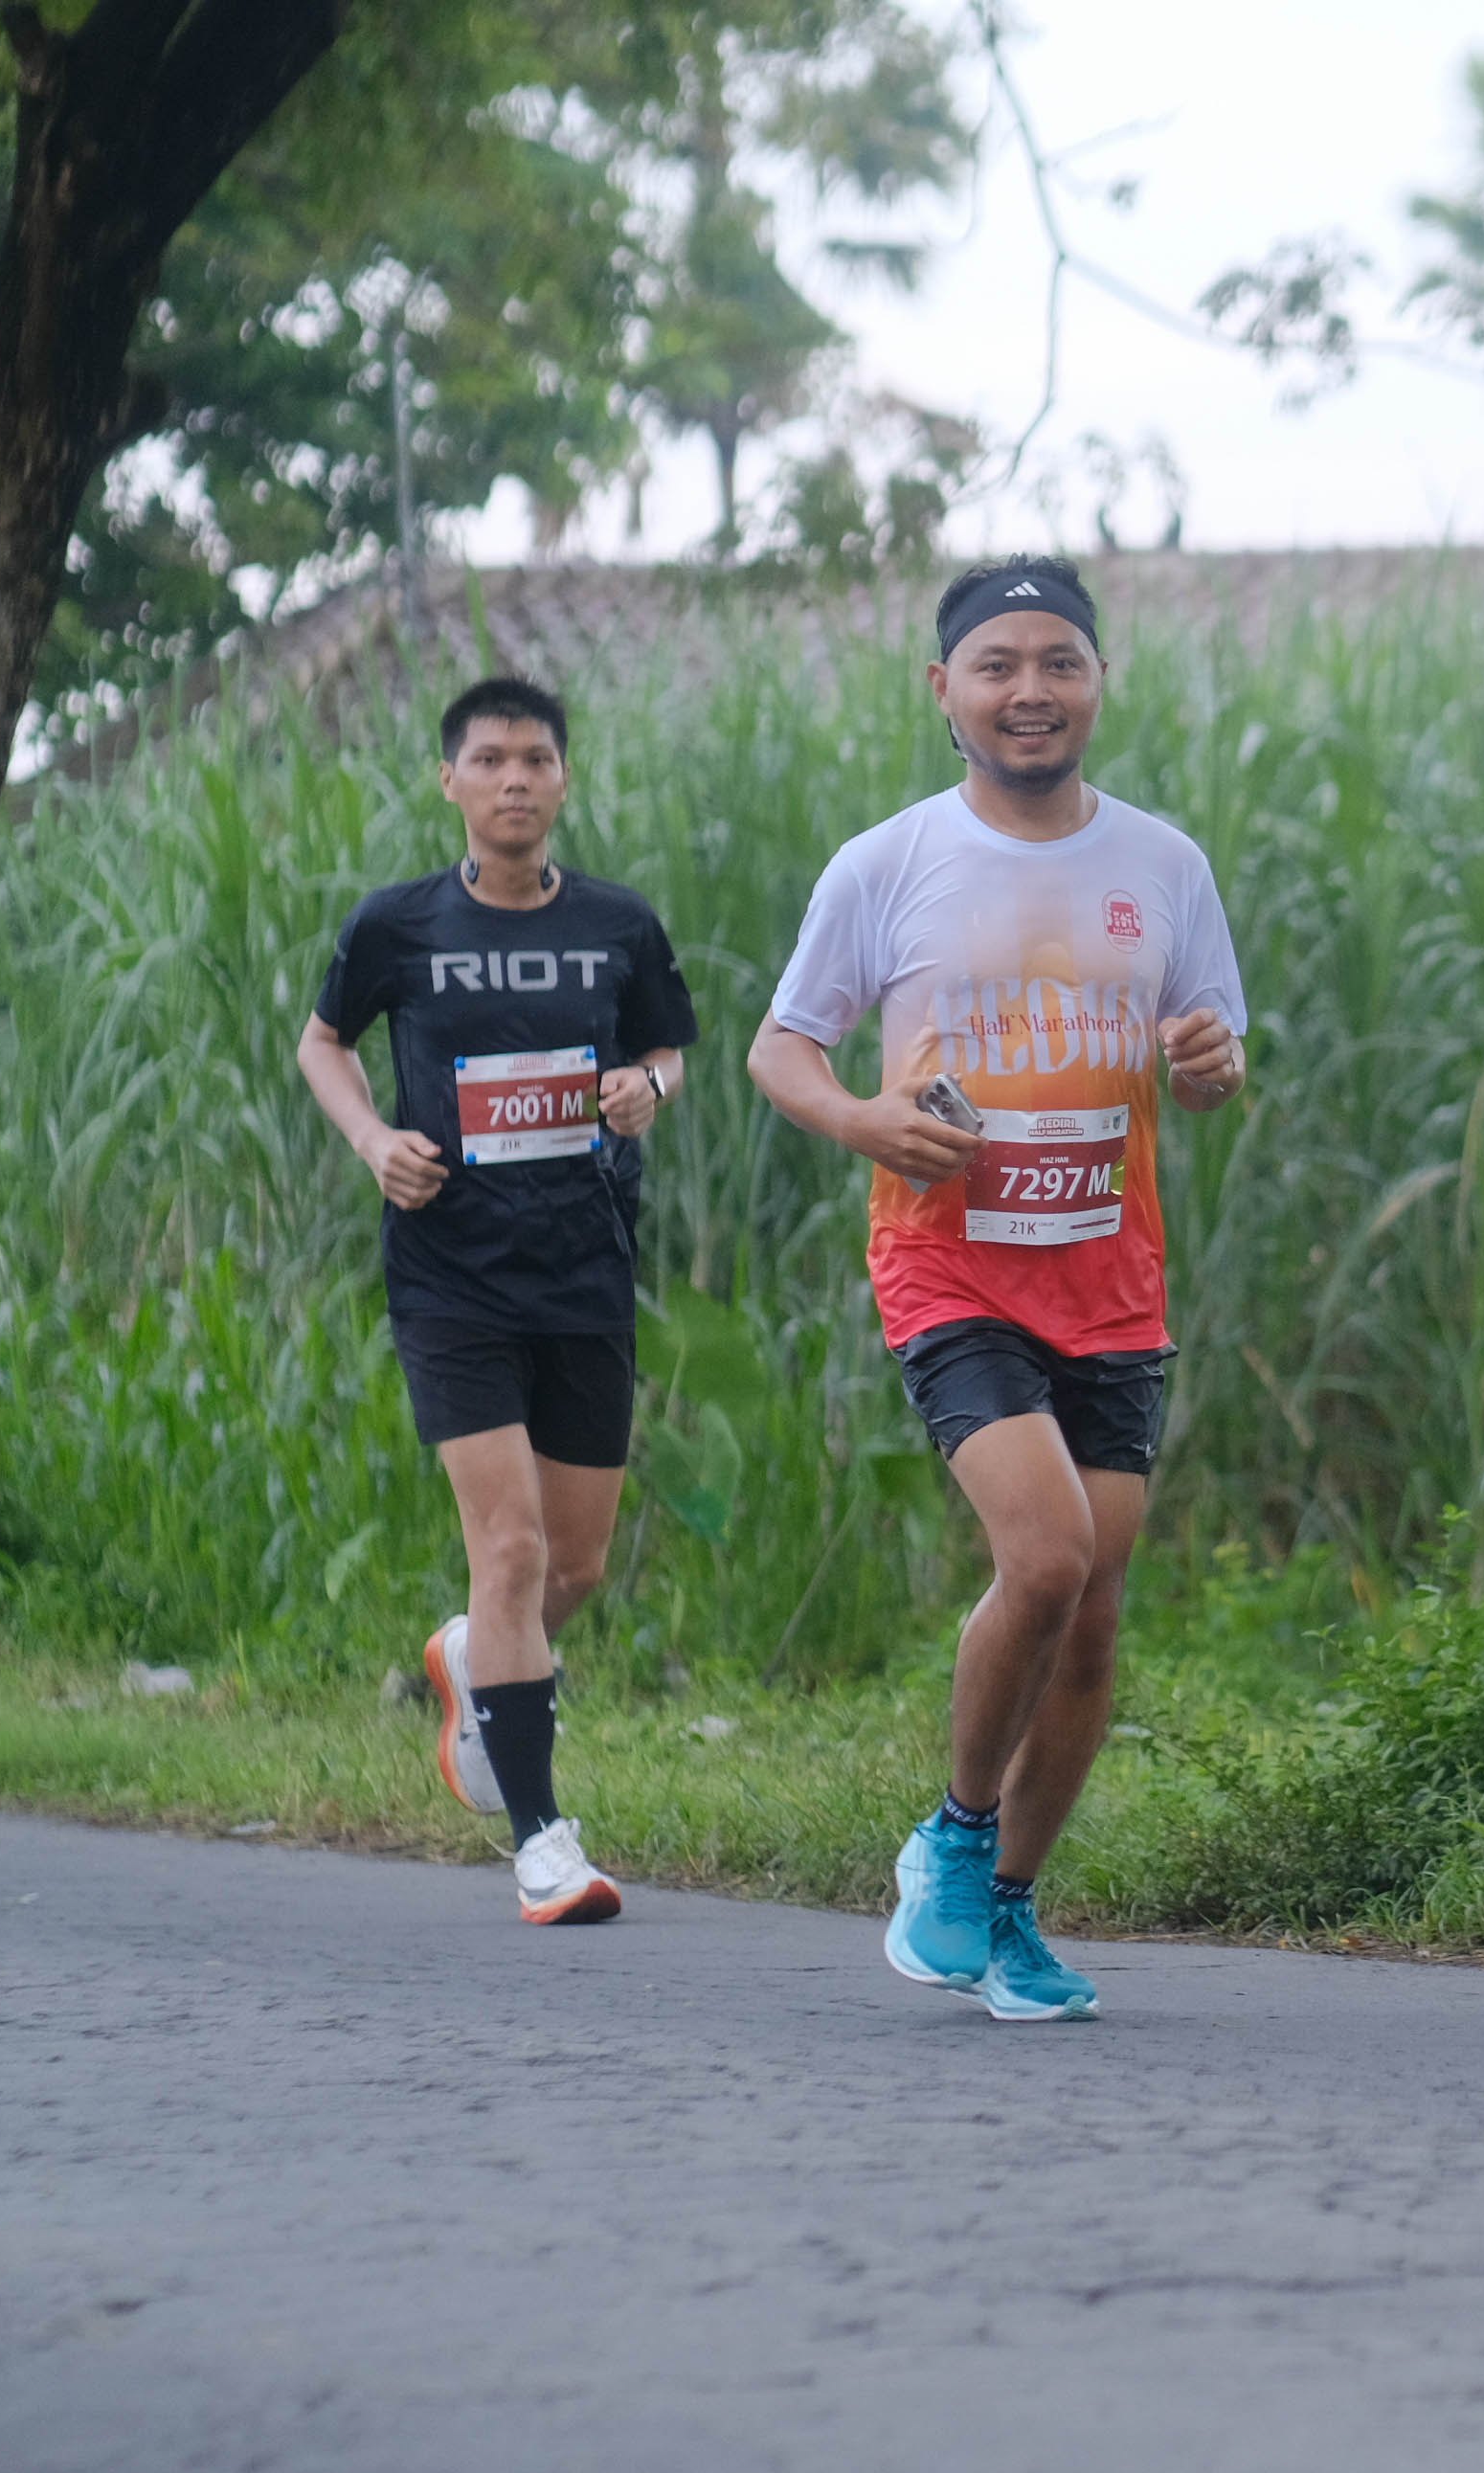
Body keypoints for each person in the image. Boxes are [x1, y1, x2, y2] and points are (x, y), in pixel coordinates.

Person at [749, 556, 1248, 2020]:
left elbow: (1210, 1054)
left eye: (1059, 662)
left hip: (1113, 1275)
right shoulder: (889, 862)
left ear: (1097, 682)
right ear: (945, 690)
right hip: (949, 1264)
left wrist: (1210, 1064)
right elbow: (783, 1048)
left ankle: (1013, 1913)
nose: (1031, 690)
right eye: (998, 665)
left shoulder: (1164, 865)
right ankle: (956, 1839)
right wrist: (862, 1120)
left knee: (1091, 1613)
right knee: (1045, 1556)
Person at [297, 674, 696, 1924]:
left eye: (535, 759)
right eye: (489, 760)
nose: (514, 779)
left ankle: (474, 1655)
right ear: (450, 781)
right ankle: (541, 1842)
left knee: (573, 1562)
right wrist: (374, 1141)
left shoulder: (618, 925)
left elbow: (667, 1048)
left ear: (563, 779)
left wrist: (647, 1090)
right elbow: (321, 1042)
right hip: (452, 1276)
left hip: (585, 1268)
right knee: (510, 1549)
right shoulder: (398, 925)